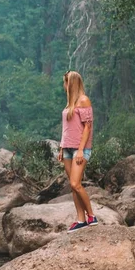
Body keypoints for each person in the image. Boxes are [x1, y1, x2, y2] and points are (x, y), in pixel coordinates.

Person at [57, 70, 98, 233]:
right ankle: (80, 219)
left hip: (80, 149)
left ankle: (91, 216)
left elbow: (87, 127)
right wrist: (61, 147)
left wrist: (81, 150)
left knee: (76, 183)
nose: (63, 86)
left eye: (65, 82)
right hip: (67, 148)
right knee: (72, 186)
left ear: (71, 83)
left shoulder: (84, 100)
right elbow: (66, 128)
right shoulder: (70, 103)